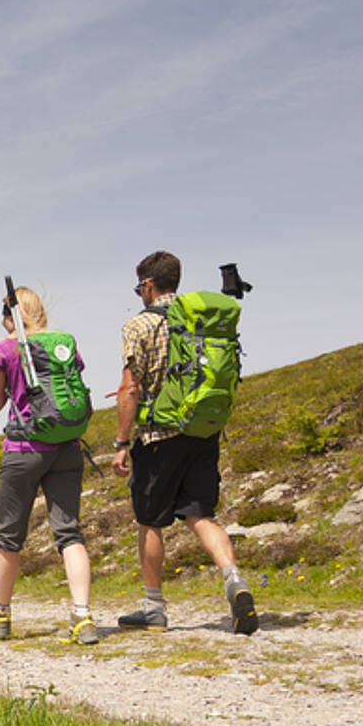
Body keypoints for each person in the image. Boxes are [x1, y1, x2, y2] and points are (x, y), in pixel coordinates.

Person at [111, 251, 258, 635]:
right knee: (200, 515)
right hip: (202, 431)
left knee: (150, 521)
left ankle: (153, 607)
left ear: (147, 284)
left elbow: (130, 387)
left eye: (138, 286)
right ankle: (234, 580)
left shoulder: (139, 325)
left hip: (159, 436)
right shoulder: (202, 322)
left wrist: (121, 441)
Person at [0, 286, 98, 644]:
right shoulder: (64, 341)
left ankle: (1, 614)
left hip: (23, 449)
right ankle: (82, 615)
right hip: (66, 447)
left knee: (10, 539)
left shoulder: (4, 348)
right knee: (69, 533)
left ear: (9, 315)